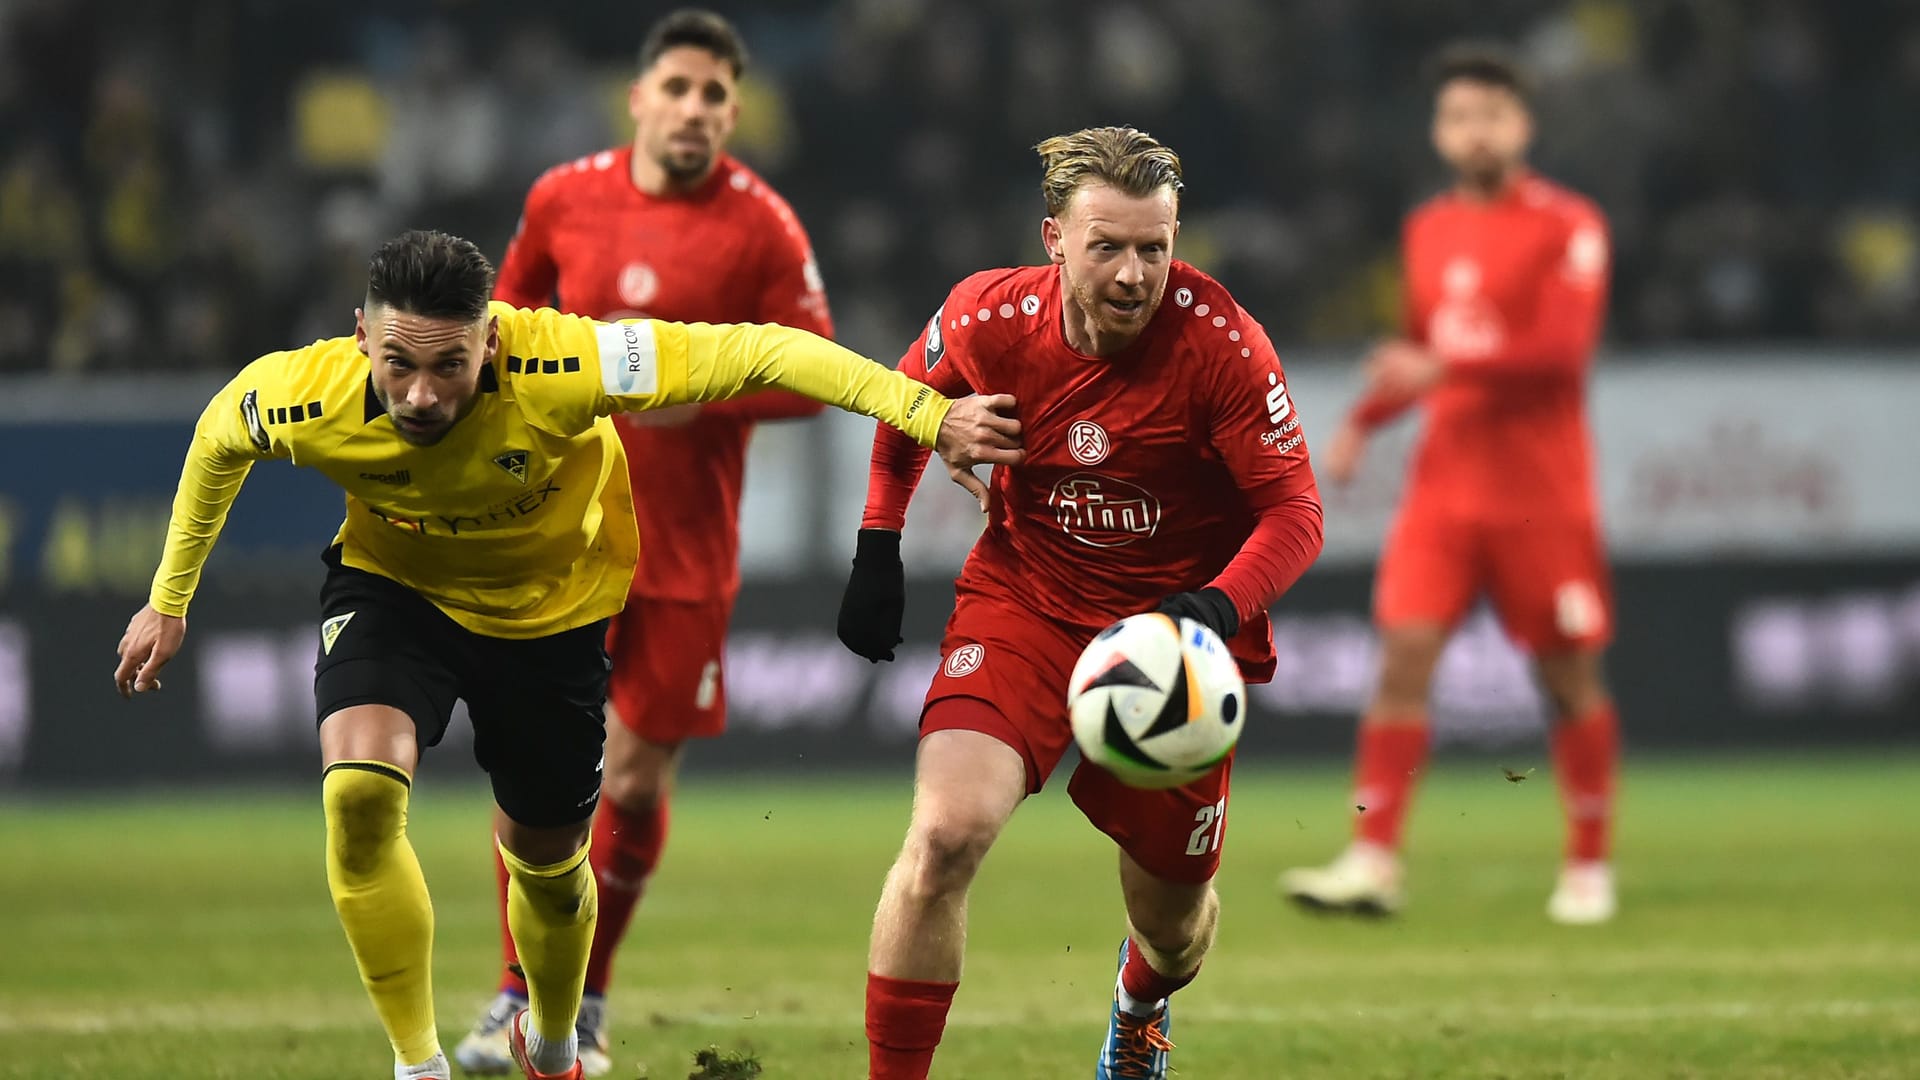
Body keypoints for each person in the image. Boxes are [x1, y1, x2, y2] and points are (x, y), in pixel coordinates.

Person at [111, 229, 1020, 1080]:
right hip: (398, 595)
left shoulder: (568, 361)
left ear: (492, 344)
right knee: (356, 797)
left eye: (448, 367)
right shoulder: (305, 391)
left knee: (546, 866)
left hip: (551, 622)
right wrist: (168, 598)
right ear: (361, 338)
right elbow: (219, 436)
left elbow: (765, 350)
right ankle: (416, 1063)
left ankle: (550, 1041)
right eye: (398, 366)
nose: (421, 394)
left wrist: (922, 411)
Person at [835, 126, 1324, 1080]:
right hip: (1027, 601)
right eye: (1109, 246)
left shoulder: (1222, 346)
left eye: (1157, 246)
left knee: (1175, 931)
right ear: (1054, 237)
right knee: (942, 837)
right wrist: (877, 545)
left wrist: (1214, 613)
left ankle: (1139, 1003)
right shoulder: (988, 315)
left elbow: (1296, 512)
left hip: (1169, 642)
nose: (1138, 274)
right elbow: (905, 405)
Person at [457, 13, 837, 1075]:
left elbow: (815, 373)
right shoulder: (563, 198)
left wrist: (701, 400)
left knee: (629, 782)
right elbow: (500, 324)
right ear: (638, 97)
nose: (697, 110)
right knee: (542, 768)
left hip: (683, 553)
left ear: (733, 112)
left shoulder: (762, 226)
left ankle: (587, 992)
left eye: (717, 96)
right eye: (679, 87)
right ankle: (517, 994)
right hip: (562, 537)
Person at [1279, 46, 1619, 925]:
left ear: (1522, 125)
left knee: (1567, 678)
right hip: (1445, 488)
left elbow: (1557, 356)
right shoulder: (1429, 229)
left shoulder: (1568, 224)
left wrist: (1432, 367)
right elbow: (1428, 361)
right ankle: (1372, 858)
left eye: (1493, 115)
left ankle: (1588, 864)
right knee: (1401, 661)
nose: (1476, 131)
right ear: (1439, 131)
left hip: (1541, 491)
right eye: (1460, 117)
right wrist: (1364, 419)